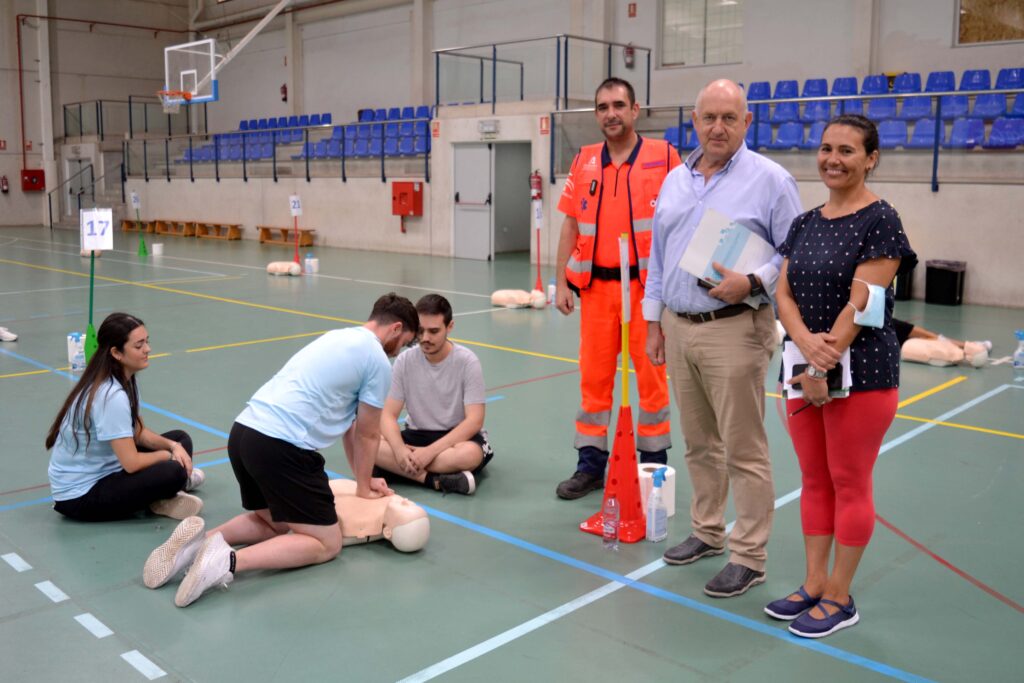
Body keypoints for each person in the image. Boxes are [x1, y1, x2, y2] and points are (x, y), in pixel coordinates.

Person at [144, 293, 419, 607]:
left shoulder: (337, 338)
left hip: (244, 432)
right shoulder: (378, 361)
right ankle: (226, 562)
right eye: (406, 342)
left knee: (275, 521)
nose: (401, 351)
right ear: (396, 329)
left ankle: (195, 545)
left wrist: (363, 479)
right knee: (327, 543)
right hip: (281, 446)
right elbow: (369, 435)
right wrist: (363, 489)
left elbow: (351, 427)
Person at [643, 79, 802, 597]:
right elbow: (660, 258)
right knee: (698, 445)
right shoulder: (675, 179)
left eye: (729, 118)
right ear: (694, 121)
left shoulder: (771, 181)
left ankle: (749, 556)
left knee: (743, 449)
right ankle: (707, 532)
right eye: (709, 117)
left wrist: (752, 282)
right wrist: (653, 321)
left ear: (746, 122)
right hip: (679, 326)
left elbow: (794, 254)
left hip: (735, 329)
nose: (717, 128)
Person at [766, 114, 916, 638]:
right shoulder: (805, 222)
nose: (833, 159)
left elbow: (865, 301)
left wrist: (821, 355)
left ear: (870, 158)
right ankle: (812, 582)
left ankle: (839, 595)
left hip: (863, 373)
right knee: (813, 480)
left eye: (847, 150)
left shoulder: (882, 220)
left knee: (849, 481)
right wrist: (804, 346)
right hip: (801, 368)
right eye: (827, 148)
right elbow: (783, 291)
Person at [553, 77, 681, 500]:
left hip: (647, 292)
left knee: (652, 379)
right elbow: (571, 223)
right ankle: (590, 464)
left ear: (635, 109)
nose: (611, 113)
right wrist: (562, 283)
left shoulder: (665, 157)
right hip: (596, 291)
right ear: (596, 113)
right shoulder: (585, 160)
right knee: (594, 380)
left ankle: (652, 465)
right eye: (603, 106)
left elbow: (684, 222)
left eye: (618, 105)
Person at [45, 312, 203, 522]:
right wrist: (168, 456)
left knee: (180, 439)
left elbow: (137, 432)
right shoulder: (110, 396)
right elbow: (131, 463)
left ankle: (165, 493)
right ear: (117, 353)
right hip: (80, 497)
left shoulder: (124, 380)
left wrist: (173, 447)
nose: (148, 349)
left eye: (147, 342)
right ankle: (169, 490)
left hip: (110, 470)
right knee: (172, 471)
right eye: (138, 346)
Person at [374, 294, 493, 495]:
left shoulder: (467, 362)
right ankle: (433, 480)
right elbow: (387, 415)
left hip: (456, 438)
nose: (425, 338)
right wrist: (400, 450)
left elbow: (474, 421)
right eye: (420, 331)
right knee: (367, 442)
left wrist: (429, 453)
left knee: (469, 455)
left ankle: (401, 469)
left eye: (434, 331)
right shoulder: (405, 361)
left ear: (450, 327)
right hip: (416, 435)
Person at [892, 318, 990, 367]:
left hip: (890, 325)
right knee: (925, 340)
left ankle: (967, 346)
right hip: (897, 342)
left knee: (929, 336)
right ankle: (964, 350)